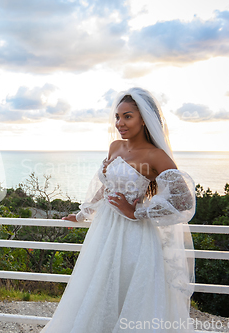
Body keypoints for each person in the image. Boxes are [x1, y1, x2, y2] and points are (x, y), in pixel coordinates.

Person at [41, 87, 196, 332]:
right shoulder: (115, 147)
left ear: (144, 119)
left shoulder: (156, 156)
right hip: (104, 232)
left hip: (135, 237)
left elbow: (184, 201)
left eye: (127, 116)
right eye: (117, 116)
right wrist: (83, 213)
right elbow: (107, 188)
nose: (119, 123)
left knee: (129, 293)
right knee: (98, 289)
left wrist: (137, 212)